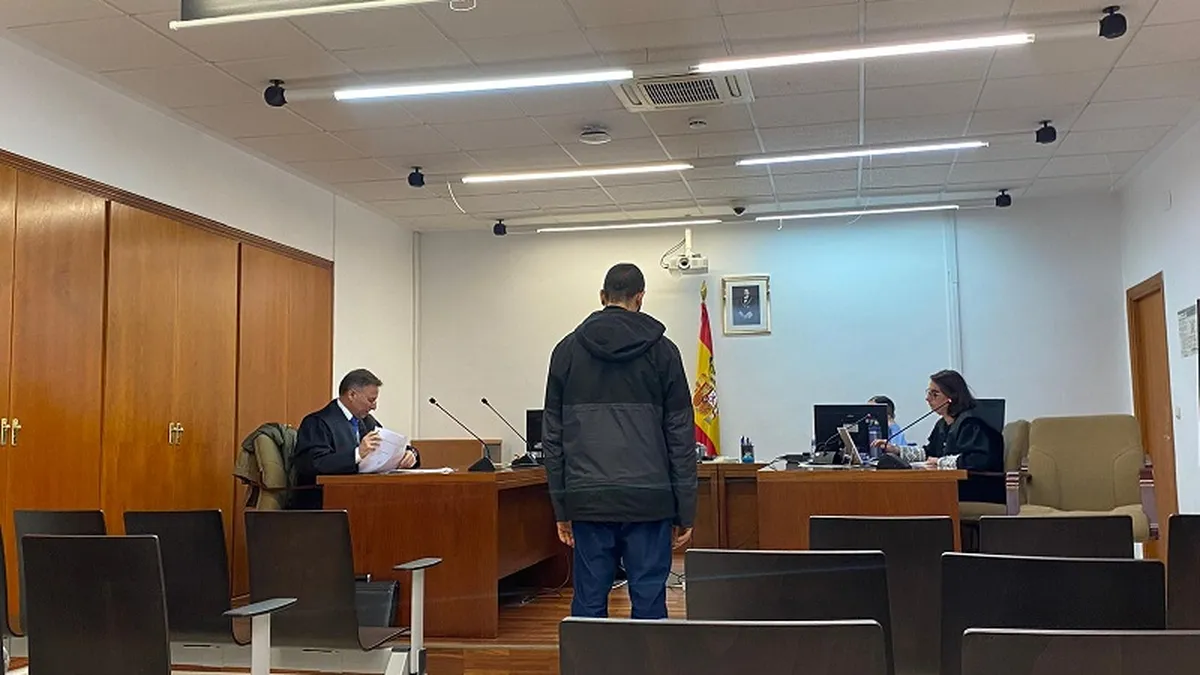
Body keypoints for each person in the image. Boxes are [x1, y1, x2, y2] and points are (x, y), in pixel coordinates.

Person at [542, 263, 697, 620]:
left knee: (589, 602)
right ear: (640, 298)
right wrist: (685, 509)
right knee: (649, 603)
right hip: (650, 500)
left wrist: (561, 507)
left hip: (588, 498)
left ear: (602, 297)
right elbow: (681, 437)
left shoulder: (566, 351)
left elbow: (552, 437)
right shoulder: (664, 352)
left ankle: (589, 655)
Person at [293, 368, 418, 509]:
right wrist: (357, 454)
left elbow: (388, 444)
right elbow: (313, 464)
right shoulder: (317, 422)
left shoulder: (366, 421)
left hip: (361, 496)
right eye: (371, 400)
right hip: (324, 502)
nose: (374, 407)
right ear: (352, 395)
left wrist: (410, 454)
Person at [876, 370, 1004, 503]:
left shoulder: (971, 423)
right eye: (928, 392)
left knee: (911, 496)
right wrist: (896, 450)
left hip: (976, 488)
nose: (927, 398)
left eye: (934, 394)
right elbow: (930, 452)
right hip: (952, 486)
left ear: (951, 398)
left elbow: (978, 461)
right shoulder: (942, 424)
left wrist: (939, 462)